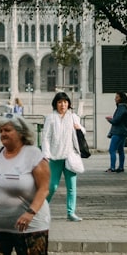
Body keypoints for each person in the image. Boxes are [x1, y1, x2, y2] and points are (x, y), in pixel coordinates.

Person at [0, 113, 51, 255]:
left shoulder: (34, 154)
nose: (3, 134)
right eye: (1, 131)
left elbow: (44, 189)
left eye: (7, 130)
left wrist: (30, 213)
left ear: (21, 133)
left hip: (30, 229)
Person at [41, 91, 85, 221]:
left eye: (65, 102)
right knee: (52, 186)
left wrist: (78, 128)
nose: (63, 105)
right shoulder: (51, 118)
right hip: (54, 157)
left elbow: (82, 132)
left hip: (70, 156)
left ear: (69, 104)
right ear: (55, 104)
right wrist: (46, 154)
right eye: (60, 102)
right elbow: (46, 137)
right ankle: (42, 209)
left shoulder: (73, 117)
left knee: (71, 187)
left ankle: (71, 213)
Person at [105, 91, 127, 173]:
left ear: (121, 98)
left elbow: (116, 121)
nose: (115, 99)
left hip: (118, 132)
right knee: (120, 150)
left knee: (112, 149)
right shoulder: (125, 108)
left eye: (117, 97)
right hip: (123, 132)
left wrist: (110, 119)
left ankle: (112, 167)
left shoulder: (121, 108)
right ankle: (121, 167)